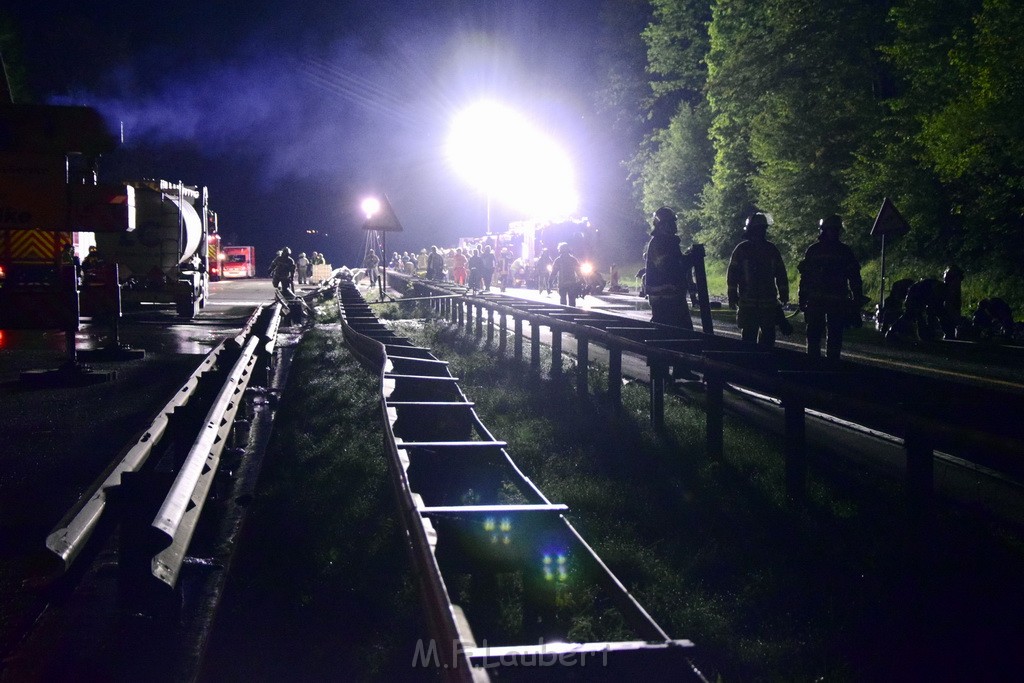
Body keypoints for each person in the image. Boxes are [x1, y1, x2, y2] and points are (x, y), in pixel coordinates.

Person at [797, 215, 867, 360]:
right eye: (832, 230)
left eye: (836, 230)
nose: (835, 233)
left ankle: (831, 363)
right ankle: (813, 363)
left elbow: (854, 276)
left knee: (834, 334)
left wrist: (857, 297)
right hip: (819, 300)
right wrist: (802, 297)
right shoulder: (818, 251)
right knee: (815, 333)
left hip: (835, 301)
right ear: (824, 231)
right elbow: (805, 277)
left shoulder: (839, 251)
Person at [727, 212, 789, 347]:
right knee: (752, 340)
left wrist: (784, 294)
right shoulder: (761, 249)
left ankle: (757, 367)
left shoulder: (746, 249)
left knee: (762, 341)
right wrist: (732, 294)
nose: (762, 232)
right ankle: (754, 367)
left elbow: (780, 274)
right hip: (754, 305)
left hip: (761, 304)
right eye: (760, 229)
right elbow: (733, 274)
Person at [644, 207, 694, 331]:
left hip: (671, 296)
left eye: (673, 222)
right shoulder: (659, 243)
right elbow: (670, 266)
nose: (673, 225)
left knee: (682, 333)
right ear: (662, 225)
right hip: (664, 298)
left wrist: (688, 258)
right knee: (671, 333)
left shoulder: (668, 242)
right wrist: (690, 259)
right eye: (670, 222)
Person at [550, 242, 582, 306]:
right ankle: (572, 313)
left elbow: (554, 272)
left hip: (562, 283)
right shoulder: (573, 259)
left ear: (560, 250)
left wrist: (550, 281)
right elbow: (578, 271)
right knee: (572, 300)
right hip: (572, 283)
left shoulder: (558, 260)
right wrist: (582, 280)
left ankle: (564, 313)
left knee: (563, 301)